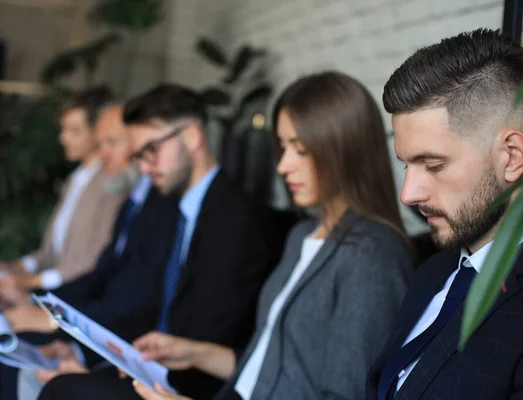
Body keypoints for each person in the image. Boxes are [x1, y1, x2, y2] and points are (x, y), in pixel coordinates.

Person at [41, 71, 414, 400]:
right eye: (282, 148)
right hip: (223, 388)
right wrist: (193, 352)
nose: (283, 165)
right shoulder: (303, 235)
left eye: (299, 149)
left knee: (63, 389)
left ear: (343, 148)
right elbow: (266, 362)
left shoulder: (371, 254)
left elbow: (343, 394)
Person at [366, 29, 523, 400]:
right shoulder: (433, 271)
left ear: (511, 156)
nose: (408, 194)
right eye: (406, 165)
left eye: (432, 165)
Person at [35, 83, 280, 400]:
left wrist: (112, 371)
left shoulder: (236, 220)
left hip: (191, 385)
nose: (145, 166)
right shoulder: (178, 204)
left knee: (61, 387)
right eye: (138, 156)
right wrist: (90, 356)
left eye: (152, 150)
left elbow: (206, 337)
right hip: (153, 366)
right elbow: (145, 303)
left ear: (192, 137)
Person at [11, 103, 179, 400]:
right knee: (22, 352)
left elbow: (135, 297)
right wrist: (52, 310)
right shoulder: (134, 201)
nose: (103, 155)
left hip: (130, 340)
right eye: (101, 144)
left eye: (112, 143)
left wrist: (53, 316)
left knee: (29, 361)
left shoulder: (154, 203)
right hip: (109, 328)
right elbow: (101, 273)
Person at [0, 87, 125, 295]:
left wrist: (28, 282)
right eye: (63, 129)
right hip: (54, 288)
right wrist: (15, 268)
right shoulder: (74, 180)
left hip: (74, 295)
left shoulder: (112, 184)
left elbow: (92, 262)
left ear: (98, 131)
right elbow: (49, 253)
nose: (63, 138)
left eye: (74, 131)